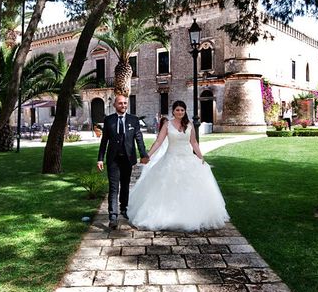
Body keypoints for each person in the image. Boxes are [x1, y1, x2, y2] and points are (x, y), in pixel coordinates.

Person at [127, 100, 229, 232]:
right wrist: (148, 155)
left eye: (182, 110)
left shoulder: (190, 125)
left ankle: (191, 215)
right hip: (170, 159)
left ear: (185, 111)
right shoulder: (167, 125)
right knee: (166, 187)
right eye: (177, 110)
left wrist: (200, 157)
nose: (180, 112)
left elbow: (194, 143)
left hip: (188, 159)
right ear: (173, 111)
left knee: (190, 187)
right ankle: (166, 215)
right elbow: (159, 141)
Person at [97, 95, 149, 229]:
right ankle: (113, 216)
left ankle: (124, 208)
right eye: (120, 103)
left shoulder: (133, 120)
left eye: (125, 103)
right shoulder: (109, 120)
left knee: (125, 185)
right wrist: (100, 159)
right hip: (113, 159)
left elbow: (139, 138)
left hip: (128, 158)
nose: (123, 105)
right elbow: (104, 142)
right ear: (115, 105)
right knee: (114, 188)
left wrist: (143, 154)